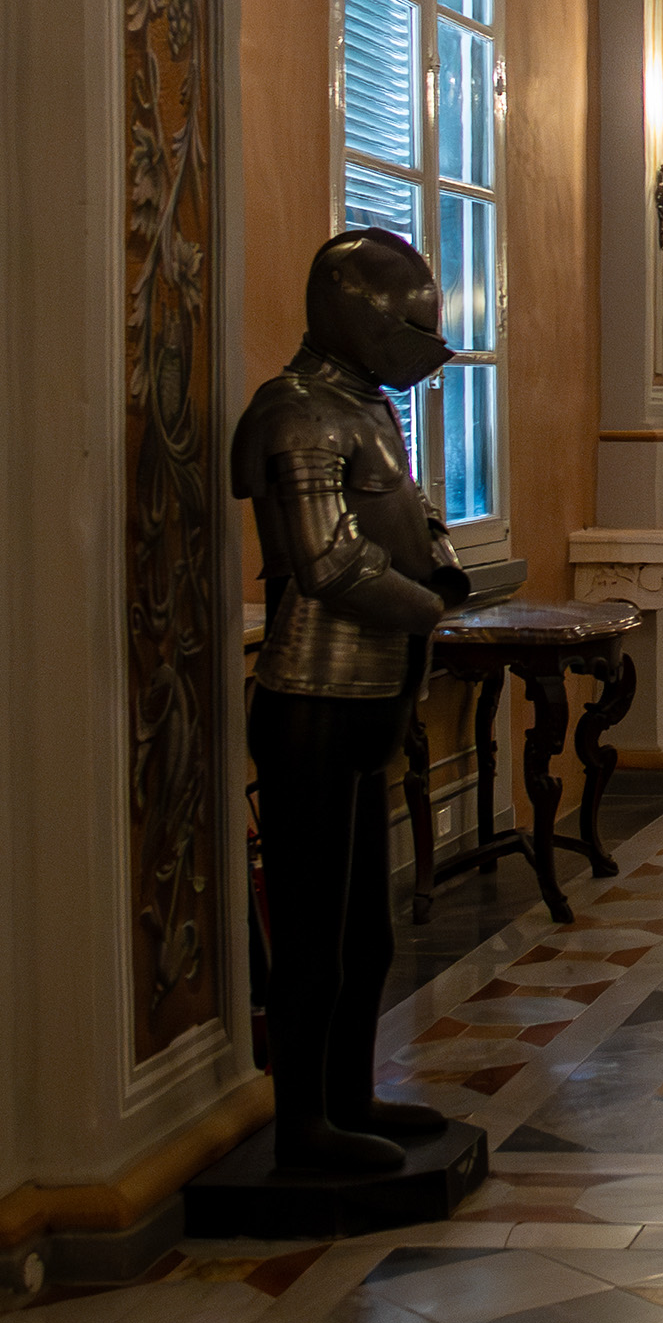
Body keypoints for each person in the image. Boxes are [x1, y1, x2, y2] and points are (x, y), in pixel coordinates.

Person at [232, 230, 473, 1179]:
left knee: (364, 932)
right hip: (312, 692)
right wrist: (427, 609)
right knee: (310, 933)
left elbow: (409, 512)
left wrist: (443, 565)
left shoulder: (367, 406)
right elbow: (326, 562)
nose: (420, 345)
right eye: (408, 324)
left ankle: (348, 1092)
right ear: (356, 313)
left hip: (372, 686)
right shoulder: (294, 414)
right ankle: (303, 1122)